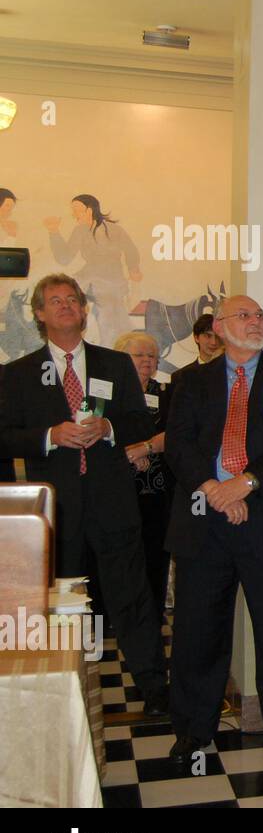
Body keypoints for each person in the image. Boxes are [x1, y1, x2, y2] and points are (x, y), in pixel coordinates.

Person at [0, 274, 167, 714]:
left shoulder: (114, 365)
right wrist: (50, 435)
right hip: (57, 509)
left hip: (113, 505)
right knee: (61, 606)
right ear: (39, 314)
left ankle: (155, 691)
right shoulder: (16, 375)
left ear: (84, 310)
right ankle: (58, 693)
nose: (65, 306)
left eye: (72, 299)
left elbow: (140, 423)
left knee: (132, 597)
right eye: (54, 301)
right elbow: (5, 437)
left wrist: (109, 428)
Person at [164, 295, 263, 761]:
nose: (256, 322)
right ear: (220, 326)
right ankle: (193, 729)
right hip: (204, 523)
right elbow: (179, 445)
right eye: (245, 316)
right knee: (197, 632)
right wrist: (217, 489)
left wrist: (244, 485)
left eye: (260, 316)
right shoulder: (189, 381)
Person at [115, 330, 174, 622]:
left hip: (158, 487)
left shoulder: (165, 393)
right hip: (118, 486)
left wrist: (145, 450)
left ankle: (152, 610)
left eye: (152, 355)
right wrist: (128, 455)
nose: (148, 360)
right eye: (140, 355)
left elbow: (176, 433)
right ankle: (119, 613)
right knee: (120, 552)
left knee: (155, 549)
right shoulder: (109, 392)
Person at [43, 195, 141, 345]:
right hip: (87, 277)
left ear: (89, 210)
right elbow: (64, 258)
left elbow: (131, 250)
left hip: (111, 280)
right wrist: (54, 232)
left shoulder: (114, 230)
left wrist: (133, 269)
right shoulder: (80, 230)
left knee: (110, 317)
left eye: (77, 210)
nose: (74, 214)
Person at [170, 314, 225, 390]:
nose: (214, 342)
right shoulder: (180, 377)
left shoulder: (233, 373)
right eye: (208, 336)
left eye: (218, 336)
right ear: (196, 338)